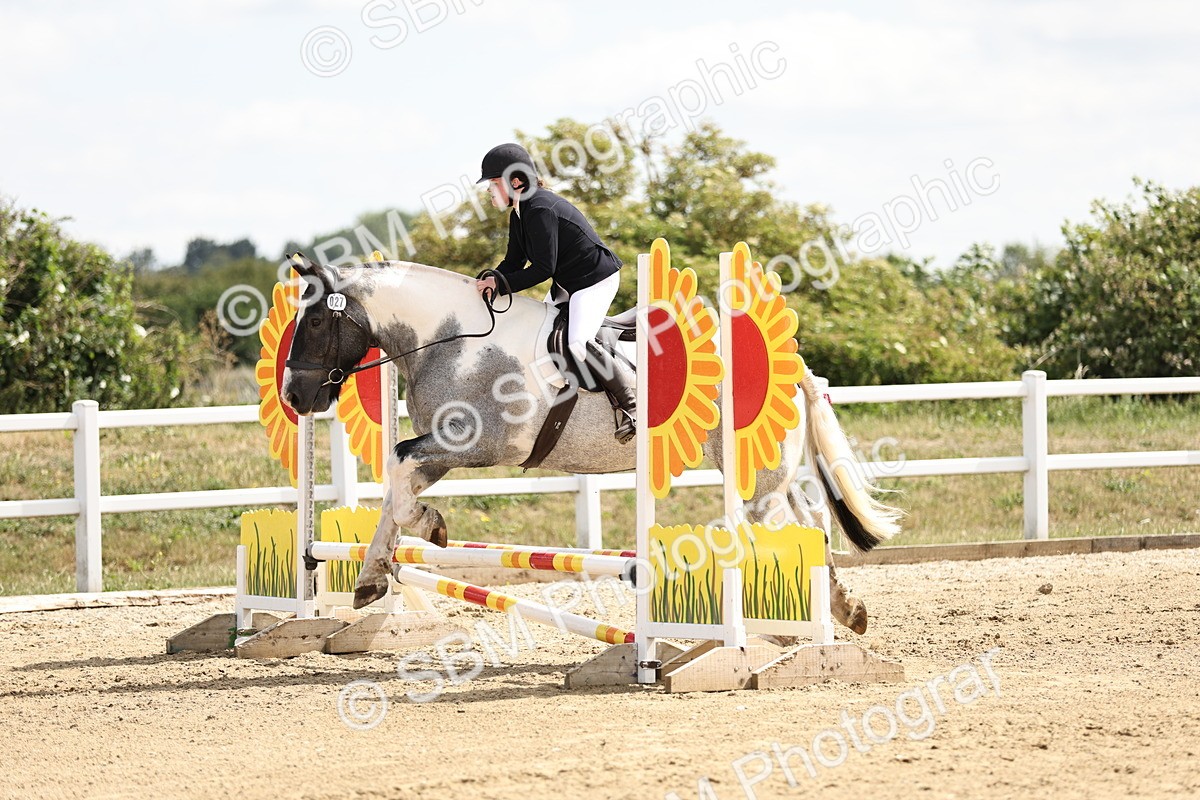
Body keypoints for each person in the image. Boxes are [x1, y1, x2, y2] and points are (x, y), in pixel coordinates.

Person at [474, 142, 635, 443]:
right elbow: (513, 262)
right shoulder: (520, 212)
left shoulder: (541, 209)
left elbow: (543, 268)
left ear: (516, 181)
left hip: (594, 280)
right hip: (568, 282)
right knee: (538, 334)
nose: (489, 191)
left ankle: (630, 405)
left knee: (576, 342)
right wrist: (490, 281)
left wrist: (502, 285)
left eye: (494, 183)